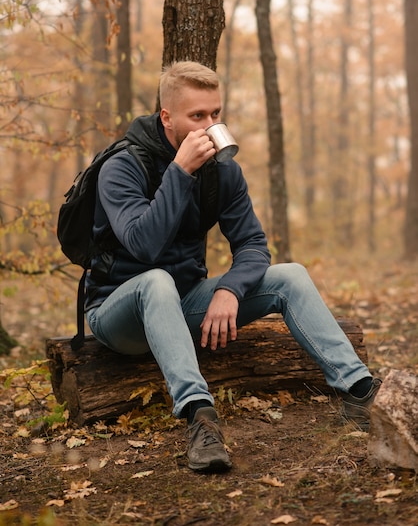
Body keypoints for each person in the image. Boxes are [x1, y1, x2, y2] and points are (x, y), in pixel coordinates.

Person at [85, 61, 381, 473]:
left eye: (215, 114)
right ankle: (200, 418)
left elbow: (254, 245)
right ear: (166, 117)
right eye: (197, 116)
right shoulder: (122, 167)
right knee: (156, 280)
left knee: (290, 276)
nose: (209, 125)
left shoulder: (222, 170)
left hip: (184, 302)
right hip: (119, 314)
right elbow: (143, 245)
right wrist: (179, 171)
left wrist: (229, 291)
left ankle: (360, 390)